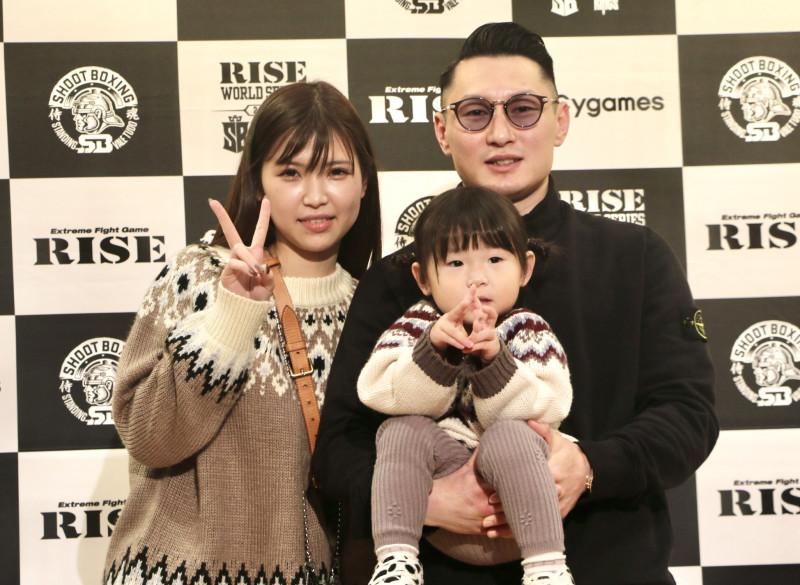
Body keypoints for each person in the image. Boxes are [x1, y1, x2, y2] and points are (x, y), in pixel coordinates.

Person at [312, 22, 718, 585]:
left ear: (561, 120)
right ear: (442, 130)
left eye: (524, 109)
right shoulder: (397, 280)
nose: (500, 133)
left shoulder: (636, 257)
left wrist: (589, 467)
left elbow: (689, 416)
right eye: (475, 113)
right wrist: (425, 499)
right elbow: (338, 446)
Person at [103, 80, 381, 585]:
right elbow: (148, 438)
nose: (316, 196)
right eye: (291, 172)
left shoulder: (374, 311)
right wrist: (231, 317)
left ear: (364, 181)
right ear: (258, 182)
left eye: (337, 172)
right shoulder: (198, 275)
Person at [359, 186, 574, 585]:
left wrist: (495, 362)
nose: (477, 277)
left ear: (524, 268)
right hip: (440, 512)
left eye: (495, 259)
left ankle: (547, 569)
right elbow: (378, 392)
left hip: (519, 505)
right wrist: (433, 351)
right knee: (399, 429)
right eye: (456, 262)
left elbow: (551, 408)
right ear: (423, 278)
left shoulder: (528, 330)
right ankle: (395, 563)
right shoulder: (417, 325)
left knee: (513, 434)